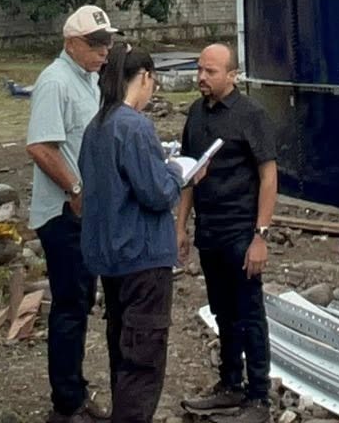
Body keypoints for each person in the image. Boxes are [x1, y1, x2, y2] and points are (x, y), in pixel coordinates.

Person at [78, 44, 202, 423]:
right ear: (145, 77)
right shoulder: (134, 126)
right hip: (142, 257)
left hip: (111, 256)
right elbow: (156, 193)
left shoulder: (96, 127)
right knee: (143, 360)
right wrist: (177, 172)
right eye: (154, 81)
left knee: (122, 348)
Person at [176, 44, 277, 423]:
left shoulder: (251, 115)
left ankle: (259, 397)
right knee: (222, 311)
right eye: (200, 69)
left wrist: (260, 235)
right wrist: (181, 226)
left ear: (232, 75)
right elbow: (189, 174)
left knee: (250, 313)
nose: (202, 77)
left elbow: (269, 176)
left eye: (211, 71)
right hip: (210, 231)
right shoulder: (196, 113)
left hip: (241, 232)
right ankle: (230, 383)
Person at [26, 5, 118, 423]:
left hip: (84, 212)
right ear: (71, 43)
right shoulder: (55, 82)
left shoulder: (89, 80)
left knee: (81, 303)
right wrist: (75, 188)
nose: (104, 50)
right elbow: (40, 146)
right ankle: (66, 404)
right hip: (64, 214)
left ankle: (75, 391)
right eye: (96, 43)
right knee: (69, 306)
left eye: (107, 42)